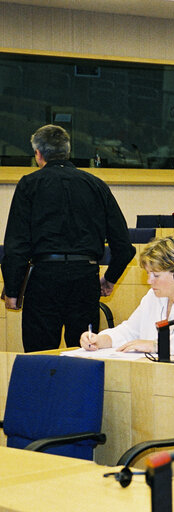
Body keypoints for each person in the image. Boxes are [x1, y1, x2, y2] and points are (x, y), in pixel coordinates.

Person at [2, 124, 135, 352]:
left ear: (38, 154)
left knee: (40, 356)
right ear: (67, 151)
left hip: (43, 279)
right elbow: (123, 246)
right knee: (85, 353)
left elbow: (17, 244)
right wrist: (110, 279)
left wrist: (13, 289)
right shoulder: (96, 185)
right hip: (85, 279)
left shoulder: (29, 184)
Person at [80, 235, 174, 355]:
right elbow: (130, 331)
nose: (149, 281)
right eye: (148, 274)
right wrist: (100, 339)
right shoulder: (153, 296)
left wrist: (154, 345)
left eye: (156, 275)